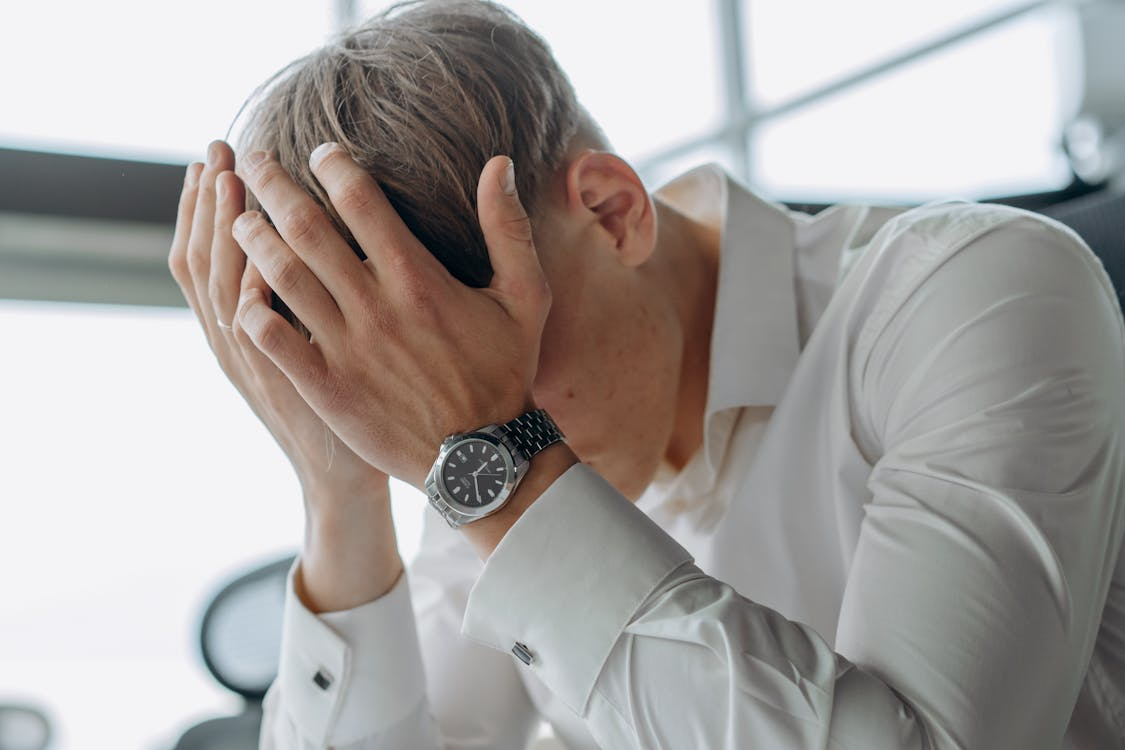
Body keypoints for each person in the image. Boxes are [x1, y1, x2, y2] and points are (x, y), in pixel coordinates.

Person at [167, 1, 1125, 748]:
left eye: (493, 365)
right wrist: (339, 492)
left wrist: (500, 457)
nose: (462, 425)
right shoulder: (478, 451)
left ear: (612, 210)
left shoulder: (972, 292)